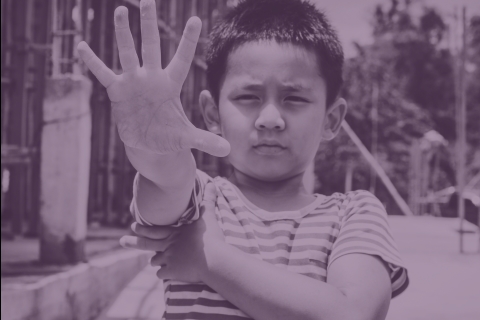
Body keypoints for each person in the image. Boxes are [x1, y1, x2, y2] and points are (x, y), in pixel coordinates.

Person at [77, 0, 409, 319]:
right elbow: (166, 182)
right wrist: (154, 151)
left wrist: (210, 259)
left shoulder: (355, 213)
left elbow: (353, 314)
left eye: (294, 98)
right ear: (212, 112)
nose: (270, 118)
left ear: (332, 119)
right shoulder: (201, 201)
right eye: (248, 97)